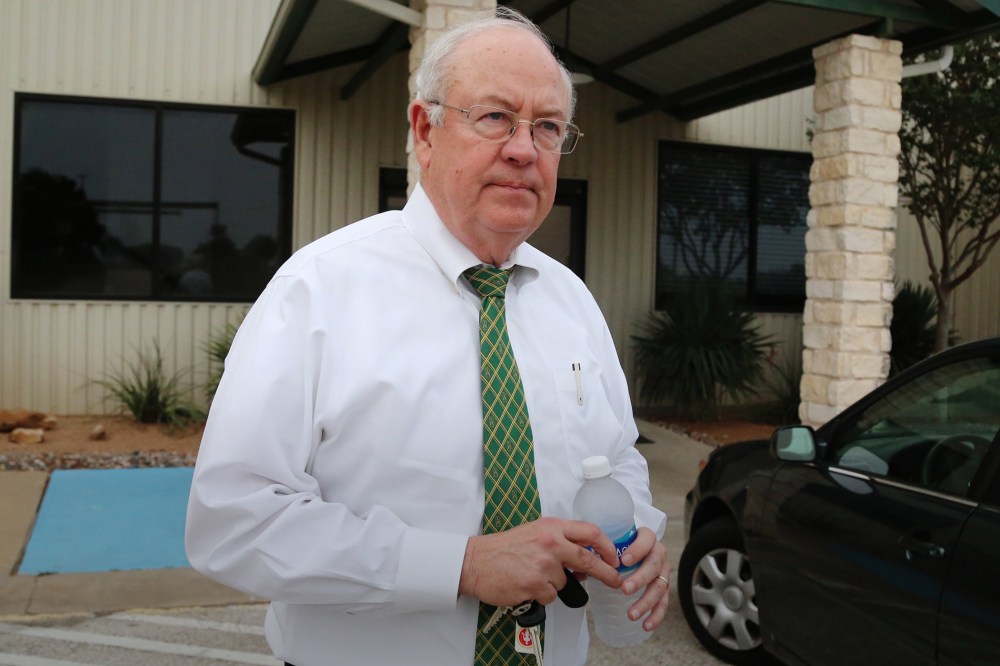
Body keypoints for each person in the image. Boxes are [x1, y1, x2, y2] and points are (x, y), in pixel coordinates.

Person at [185, 7, 669, 666]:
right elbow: (234, 521)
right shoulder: (320, 289)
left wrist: (640, 528)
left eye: (548, 127)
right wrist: (461, 565)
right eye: (495, 116)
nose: (524, 149)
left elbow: (616, 459)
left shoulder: (572, 301)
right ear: (425, 130)